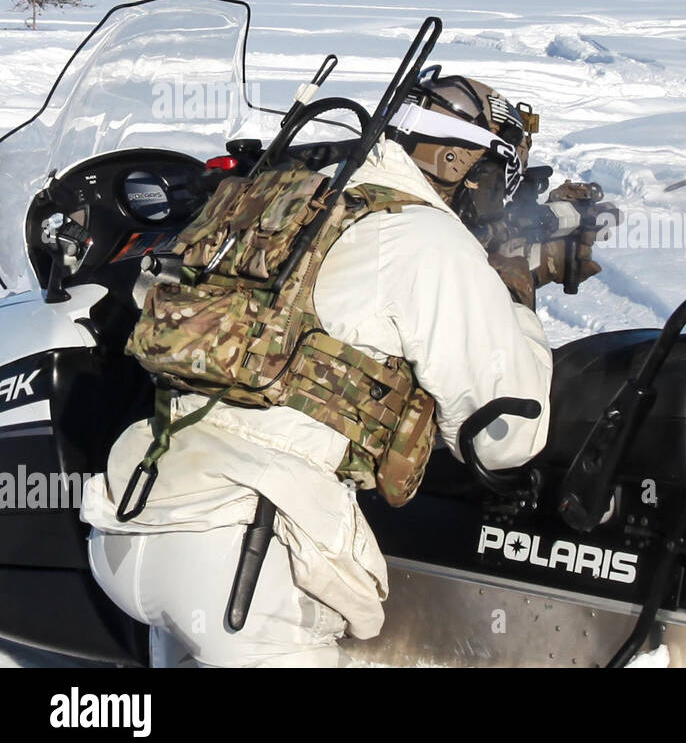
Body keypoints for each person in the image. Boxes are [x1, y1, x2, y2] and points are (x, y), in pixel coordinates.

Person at [79, 73, 613, 667]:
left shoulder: (288, 200)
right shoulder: (425, 237)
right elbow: (506, 437)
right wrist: (512, 288)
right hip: (245, 553)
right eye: (493, 179)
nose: (492, 201)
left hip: (135, 513)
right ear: (456, 158)